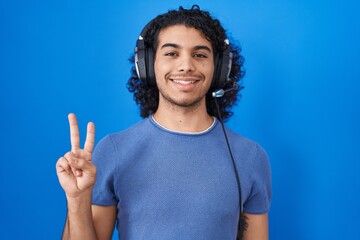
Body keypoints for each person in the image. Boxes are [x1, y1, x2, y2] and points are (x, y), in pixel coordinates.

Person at [56, 5, 271, 240]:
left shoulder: (250, 157)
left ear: (219, 69)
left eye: (200, 55)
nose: (186, 65)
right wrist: (77, 200)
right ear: (147, 65)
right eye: (171, 53)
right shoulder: (113, 150)